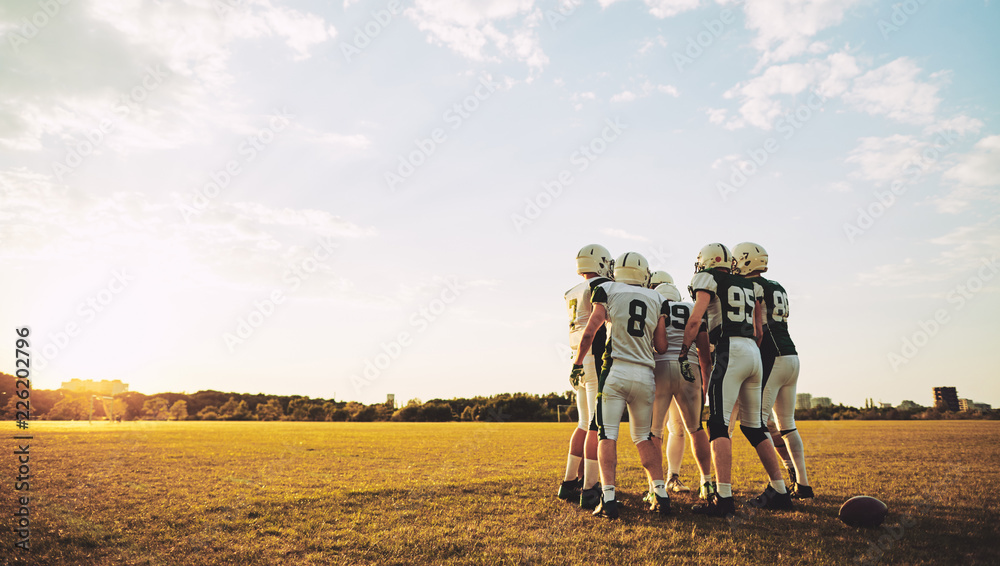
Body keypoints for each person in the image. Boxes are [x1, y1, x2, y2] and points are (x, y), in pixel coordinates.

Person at [681, 243, 792, 518]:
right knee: (754, 426)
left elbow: (695, 320)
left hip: (729, 350)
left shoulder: (707, 279)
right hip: (752, 352)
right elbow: (758, 330)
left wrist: (683, 350)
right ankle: (780, 489)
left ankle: (724, 497)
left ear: (706, 262)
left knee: (718, 424)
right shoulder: (747, 285)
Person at [572, 252, 669, 520]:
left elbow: (591, 330)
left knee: (607, 434)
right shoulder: (658, 298)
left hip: (615, 371)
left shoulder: (607, 289)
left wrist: (578, 362)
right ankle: (660, 494)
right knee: (643, 437)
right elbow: (661, 346)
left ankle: (609, 498)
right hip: (645, 374)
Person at [732, 242, 812, 499]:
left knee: (756, 422)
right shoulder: (777, 285)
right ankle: (802, 483)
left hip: (773, 356)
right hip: (792, 355)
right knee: (787, 424)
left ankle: (777, 484)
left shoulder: (753, 287)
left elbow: (758, 327)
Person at [646, 281, 716, 502]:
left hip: (661, 367)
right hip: (690, 368)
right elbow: (704, 352)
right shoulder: (691, 309)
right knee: (696, 428)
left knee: (655, 432)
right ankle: (706, 482)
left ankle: (655, 488)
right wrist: (705, 381)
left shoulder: (654, 308)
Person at [559, 244, 614, 509]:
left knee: (583, 422)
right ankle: (590, 488)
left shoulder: (572, 291)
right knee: (596, 424)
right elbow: (593, 329)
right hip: (591, 356)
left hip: (576, 358)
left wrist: (577, 362)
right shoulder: (600, 288)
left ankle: (569, 481)